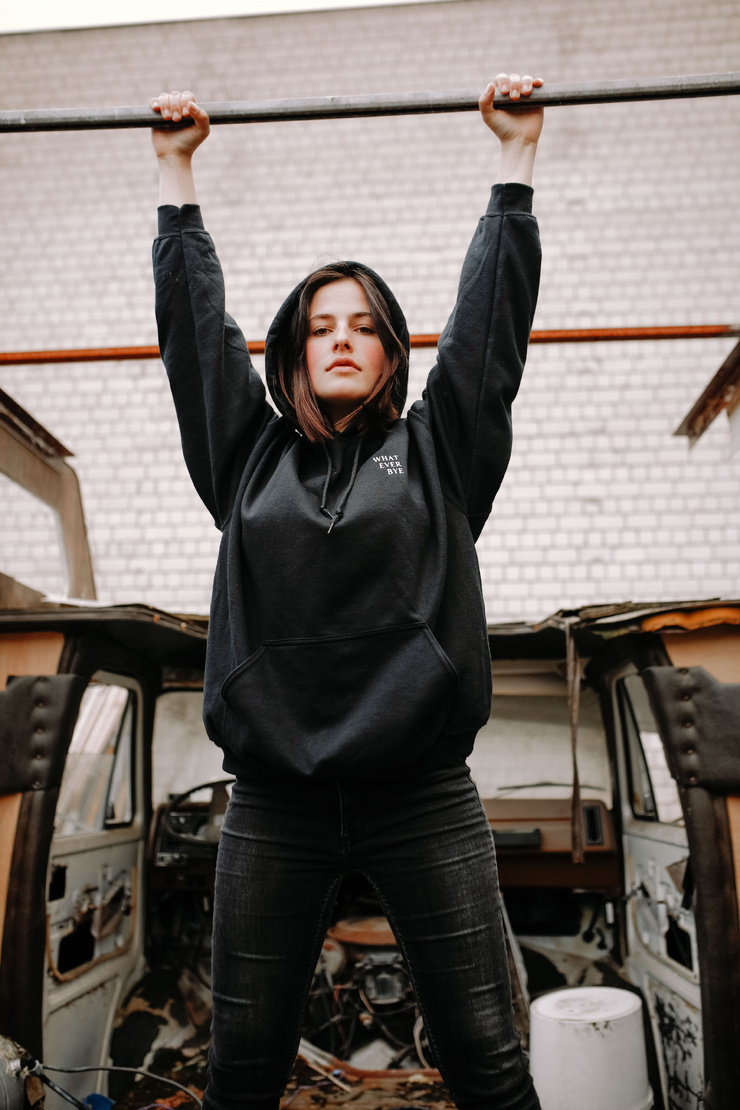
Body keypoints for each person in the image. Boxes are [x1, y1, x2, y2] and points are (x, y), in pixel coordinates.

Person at [150, 72, 543, 1110]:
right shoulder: (247, 460)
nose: (339, 337)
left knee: (488, 1062)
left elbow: (489, 333)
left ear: (390, 353)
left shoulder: (440, 452)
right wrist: (176, 173)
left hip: (422, 794)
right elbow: (194, 339)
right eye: (321, 323)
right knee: (242, 1069)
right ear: (291, 351)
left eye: (363, 325)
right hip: (272, 802)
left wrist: (513, 162)